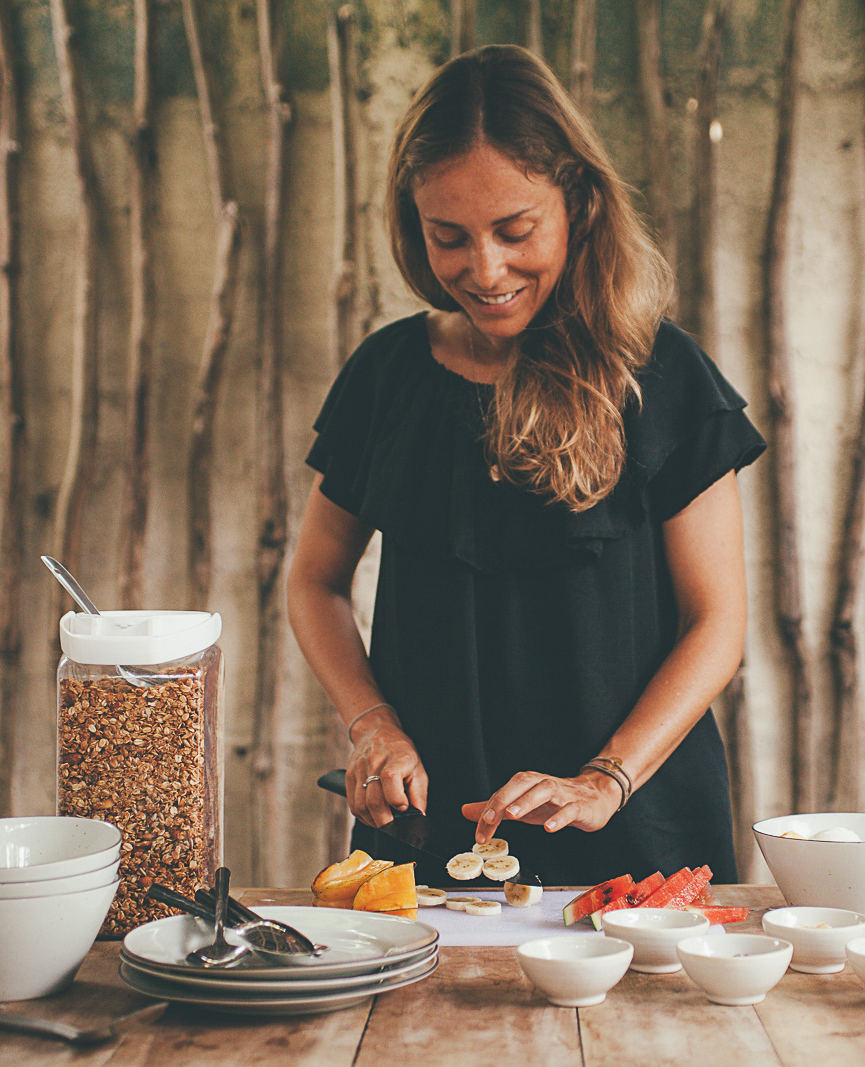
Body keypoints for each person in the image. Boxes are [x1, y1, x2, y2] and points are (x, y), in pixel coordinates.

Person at [287, 44, 765, 886]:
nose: (486, 269)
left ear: (578, 202)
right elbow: (314, 582)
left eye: (515, 231)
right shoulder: (387, 373)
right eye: (449, 237)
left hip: (639, 840)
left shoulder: (663, 377)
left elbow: (716, 624)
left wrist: (603, 780)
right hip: (430, 845)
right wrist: (372, 725)